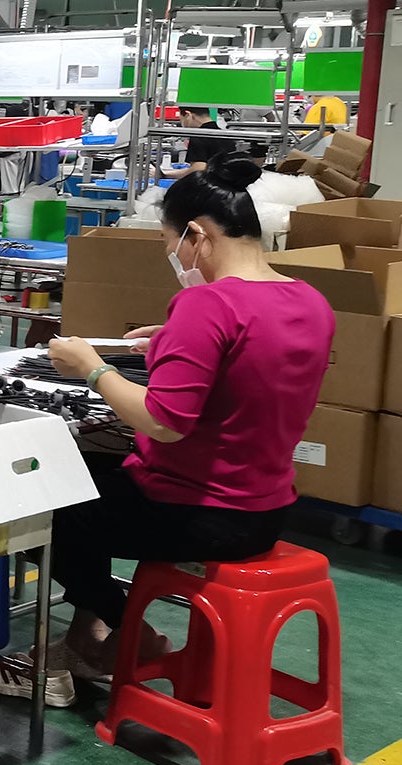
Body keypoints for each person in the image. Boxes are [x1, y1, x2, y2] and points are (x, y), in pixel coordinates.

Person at [42, 155, 334, 690]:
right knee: (94, 482)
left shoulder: (206, 304)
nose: (172, 257)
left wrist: (93, 368)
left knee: (43, 505)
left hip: (197, 512)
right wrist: (174, 342)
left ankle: (130, 628)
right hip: (266, 509)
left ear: (197, 235)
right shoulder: (310, 301)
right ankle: (95, 637)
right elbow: (252, 367)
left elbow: (164, 422)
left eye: (169, 243)